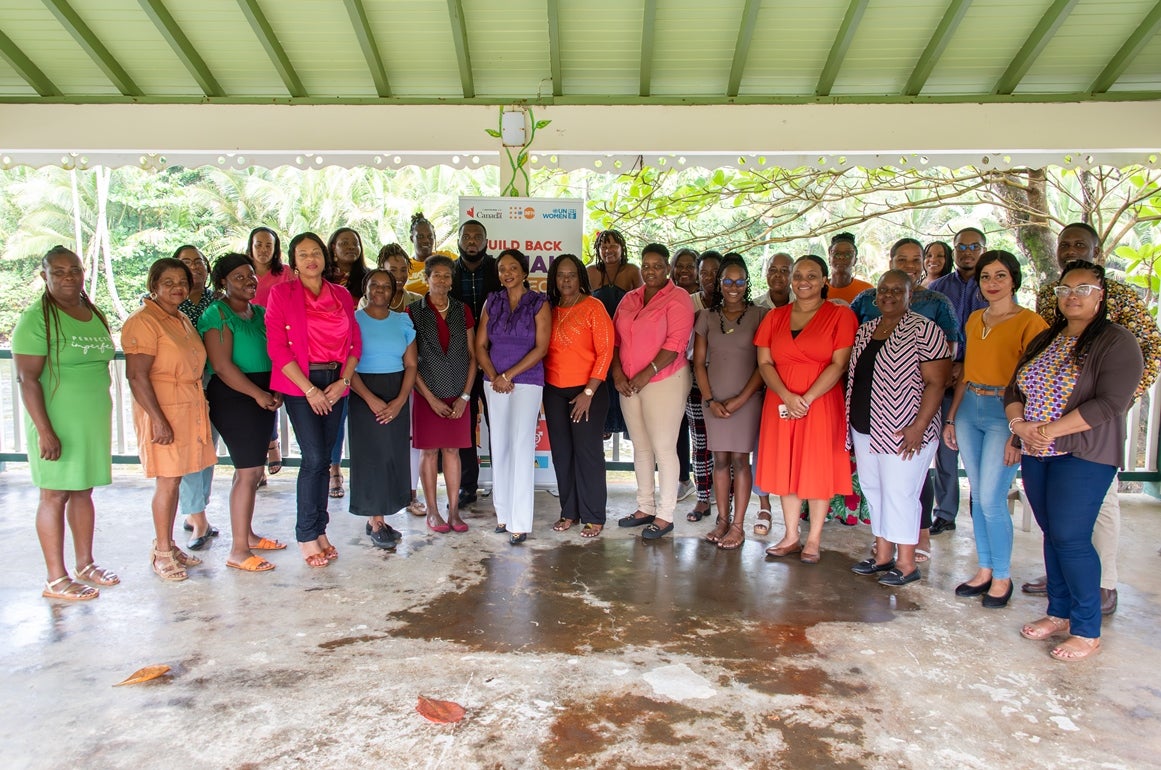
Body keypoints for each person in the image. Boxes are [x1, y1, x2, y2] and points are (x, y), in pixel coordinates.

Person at [1007, 260, 1143, 661]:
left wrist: (1048, 429)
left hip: (1083, 454)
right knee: (1052, 534)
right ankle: (1059, 612)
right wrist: (1020, 424)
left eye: (1083, 289)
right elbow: (1015, 387)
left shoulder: (1117, 342)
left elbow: (1110, 403)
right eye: (1066, 288)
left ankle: (1087, 628)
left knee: (1071, 536)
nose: (1072, 295)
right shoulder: (1046, 339)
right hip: (1036, 452)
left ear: (1101, 296)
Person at [1023, 222, 1161, 614]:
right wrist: (1023, 424)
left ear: (1096, 251)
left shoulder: (1119, 299)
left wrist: (1121, 397)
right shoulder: (1053, 298)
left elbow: (1150, 346)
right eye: (1064, 244)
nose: (1070, 249)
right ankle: (1061, 595)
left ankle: (1103, 587)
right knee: (1059, 529)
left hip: (1091, 434)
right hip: (1043, 439)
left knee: (1097, 512)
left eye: (1079, 244)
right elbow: (1039, 363)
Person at [942, 251, 1047, 606]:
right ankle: (984, 569)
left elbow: (1035, 382)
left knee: (991, 497)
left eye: (1000, 276)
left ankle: (1002, 576)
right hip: (971, 406)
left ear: (1014, 280)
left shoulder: (1031, 323)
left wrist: (1019, 433)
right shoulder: (974, 319)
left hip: (1007, 412)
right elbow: (967, 372)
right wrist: (953, 417)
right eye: (986, 277)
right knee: (977, 496)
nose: (992, 283)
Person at [14, 246, 117, 600]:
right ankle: (56, 579)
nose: (68, 277)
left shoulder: (89, 310)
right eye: (58, 272)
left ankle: (85, 564)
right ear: (44, 276)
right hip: (56, 421)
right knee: (54, 494)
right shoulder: (36, 319)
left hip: (89, 419)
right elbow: (27, 380)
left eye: (74, 270)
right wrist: (44, 430)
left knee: (82, 490)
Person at [851, 238, 960, 556]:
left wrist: (919, 427)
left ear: (911, 294)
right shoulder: (866, 330)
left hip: (903, 429)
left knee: (901, 492)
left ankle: (906, 563)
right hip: (865, 428)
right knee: (875, 490)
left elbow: (936, 384)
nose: (888, 296)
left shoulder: (926, 329)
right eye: (883, 290)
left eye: (897, 291)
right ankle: (883, 556)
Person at [266, 232, 361, 568]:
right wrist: (310, 389)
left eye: (316, 252)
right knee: (315, 456)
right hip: (300, 385)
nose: (311, 258)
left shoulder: (341, 294)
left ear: (325, 257)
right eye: (303, 253)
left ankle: (320, 530)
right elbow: (276, 347)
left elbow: (354, 344)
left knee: (325, 459)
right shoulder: (282, 294)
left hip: (336, 382)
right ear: (294, 261)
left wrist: (343, 381)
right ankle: (306, 534)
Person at [756, 255, 857, 564]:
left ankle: (813, 539)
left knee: (816, 467)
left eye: (812, 275)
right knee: (786, 466)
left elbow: (839, 364)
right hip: (781, 400)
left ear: (824, 279)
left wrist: (807, 398)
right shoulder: (775, 317)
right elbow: (764, 362)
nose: (803, 280)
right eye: (798, 275)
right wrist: (787, 396)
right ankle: (790, 535)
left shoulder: (840, 316)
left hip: (821, 401)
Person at [123, 257, 217, 581]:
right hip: (163, 408)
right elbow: (136, 376)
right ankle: (162, 551)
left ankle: (168, 543)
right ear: (154, 286)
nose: (177, 287)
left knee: (175, 479)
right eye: (168, 283)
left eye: (182, 282)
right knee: (166, 481)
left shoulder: (180, 320)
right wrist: (158, 420)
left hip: (187, 406)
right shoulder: (144, 321)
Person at [197, 253, 285, 572]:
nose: (249, 281)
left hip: (263, 393)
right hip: (235, 395)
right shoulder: (216, 314)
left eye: (251, 275)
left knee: (250, 470)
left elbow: (275, 352)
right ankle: (237, 551)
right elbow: (221, 365)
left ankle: (247, 535)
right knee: (248, 473)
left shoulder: (260, 312)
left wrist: (275, 389)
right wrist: (258, 394)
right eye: (239, 277)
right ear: (222, 282)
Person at [613, 244, 695, 540]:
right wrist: (618, 373)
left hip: (664, 381)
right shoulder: (629, 298)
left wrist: (646, 374)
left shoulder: (679, 298)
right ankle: (645, 507)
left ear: (668, 268)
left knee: (663, 447)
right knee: (641, 446)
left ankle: (665, 514)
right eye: (646, 265)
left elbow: (675, 345)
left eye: (657, 265)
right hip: (629, 383)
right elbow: (616, 340)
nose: (651, 271)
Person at [692, 255, 768, 550]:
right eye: (727, 280)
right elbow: (699, 363)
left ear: (747, 283)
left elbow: (764, 364)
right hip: (714, 400)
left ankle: (738, 525)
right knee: (720, 460)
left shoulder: (760, 315)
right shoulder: (707, 317)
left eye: (739, 281)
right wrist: (710, 399)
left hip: (747, 400)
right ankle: (722, 520)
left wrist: (741, 399)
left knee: (741, 461)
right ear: (719, 283)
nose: (733, 286)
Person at [475, 249, 550, 544]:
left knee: (521, 448)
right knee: (501, 447)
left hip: (527, 382)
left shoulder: (539, 303)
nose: (507, 273)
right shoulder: (491, 302)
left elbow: (541, 348)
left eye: (513, 268)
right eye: (502, 269)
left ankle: (520, 522)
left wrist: (509, 376)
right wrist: (495, 376)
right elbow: (480, 345)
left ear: (524, 272)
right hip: (494, 383)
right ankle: (503, 516)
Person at [544, 254, 614, 538]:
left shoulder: (593, 307)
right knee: (563, 455)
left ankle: (594, 514)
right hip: (554, 391)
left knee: (588, 455)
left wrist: (588, 392)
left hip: (589, 392)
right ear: (554, 278)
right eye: (561, 275)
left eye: (572, 274)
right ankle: (569, 511)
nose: (566, 280)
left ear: (580, 277)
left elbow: (606, 351)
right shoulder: (549, 308)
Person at [348, 269, 418, 549]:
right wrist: (369, 398)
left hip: (396, 391)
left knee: (391, 456)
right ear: (365, 289)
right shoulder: (353, 321)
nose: (380, 290)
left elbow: (411, 364)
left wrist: (401, 400)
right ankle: (376, 520)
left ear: (393, 291)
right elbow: (347, 367)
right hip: (364, 392)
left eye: (386, 286)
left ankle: (380, 516)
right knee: (371, 458)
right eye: (374, 285)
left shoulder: (402, 320)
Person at [927, 227, 990, 535]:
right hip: (945, 379)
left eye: (974, 246)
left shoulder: (994, 285)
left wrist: (966, 365)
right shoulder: (938, 287)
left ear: (984, 249)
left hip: (982, 383)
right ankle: (945, 512)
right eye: (961, 246)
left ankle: (983, 510)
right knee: (945, 451)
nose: (967, 251)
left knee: (979, 452)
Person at [409, 255, 477, 534]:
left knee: (452, 451)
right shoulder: (413, 313)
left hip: (458, 395)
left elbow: (473, 357)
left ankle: (454, 511)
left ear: (452, 280)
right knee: (429, 452)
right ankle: (433, 512)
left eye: (447, 276)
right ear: (426, 278)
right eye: (436, 275)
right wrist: (430, 398)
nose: (442, 281)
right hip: (427, 395)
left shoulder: (464, 311)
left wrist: (464, 397)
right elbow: (410, 363)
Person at [450, 219, 500, 510]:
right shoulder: (447, 272)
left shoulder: (499, 270)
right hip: (460, 364)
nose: (471, 240)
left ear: (486, 241)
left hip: (498, 363)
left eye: (477, 236)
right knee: (464, 429)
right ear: (458, 241)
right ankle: (467, 487)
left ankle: (504, 483)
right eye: (466, 236)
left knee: (500, 425)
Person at [172, 245, 219, 550]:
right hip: (182, 384)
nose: (194, 267)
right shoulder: (167, 305)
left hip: (215, 380)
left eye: (199, 262)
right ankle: (197, 517)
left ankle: (196, 511)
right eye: (186, 263)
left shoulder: (219, 301)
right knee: (189, 451)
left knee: (208, 449)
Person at [379, 244, 427, 517]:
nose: (397, 275)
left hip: (412, 378)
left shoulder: (415, 303)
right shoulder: (369, 301)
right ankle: (384, 493)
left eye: (402, 269)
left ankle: (411, 494)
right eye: (391, 270)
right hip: (378, 379)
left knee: (412, 438)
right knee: (383, 437)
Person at [324, 227, 369, 499]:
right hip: (334, 357)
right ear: (332, 247)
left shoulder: (367, 279)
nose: (351, 247)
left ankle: (364, 472)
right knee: (336, 419)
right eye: (344, 243)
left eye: (355, 243)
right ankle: (335, 470)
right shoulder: (323, 280)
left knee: (362, 419)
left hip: (363, 355)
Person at [751, 251, 793, 533]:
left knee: (795, 449)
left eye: (784, 270)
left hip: (796, 389)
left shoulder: (806, 305)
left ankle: (796, 507)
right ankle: (764, 506)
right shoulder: (755, 307)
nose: (777, 276)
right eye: (772, 270)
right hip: (762, 388)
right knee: (760, 448)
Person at [589, 229, 643, 439]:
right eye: (603, 245)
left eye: (613, 245)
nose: (608, 250)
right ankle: (604, 429)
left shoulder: (632, 270)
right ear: (598, 249)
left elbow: (643, 304)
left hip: (626, 340)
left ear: (622, 248)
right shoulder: (590, 271)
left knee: (623, 383)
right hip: (598, 341)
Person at [247, 226, 289, 482]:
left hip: (278, 340)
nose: (263, 250)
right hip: (247, 339)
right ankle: (256, 461)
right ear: (250, 246)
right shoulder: (244, 272)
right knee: (251, 400)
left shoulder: (284, 273)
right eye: (258, 244)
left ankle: (272, 441)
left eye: (268, 245)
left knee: (274, 393)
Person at [683, 250, 722, 521]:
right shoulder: (688, 303)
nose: (710, 278)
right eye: (704, 272)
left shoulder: (737, 303)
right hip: (696, 381)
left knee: (727, 446)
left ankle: (727, 498)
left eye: (715, 272)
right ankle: (703, 498)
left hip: (729, 381)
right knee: (701, 444)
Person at [670, 247, 700, 503]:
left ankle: (705, 482)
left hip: (701, 370)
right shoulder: (667, 297)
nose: (684, 270)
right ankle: (682, 480)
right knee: (677, 427)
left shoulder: (704, 299)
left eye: (690, 266)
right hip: (674, 370)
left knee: (701, 429)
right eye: (680, 265)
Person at [825, 233, 873, 304]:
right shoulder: (817, 289)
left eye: (848, 254)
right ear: (829, 260)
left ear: (855, 261)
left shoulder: (867, 291)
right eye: (836, 254)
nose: (842, 257)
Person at [407, 212, 438, 294]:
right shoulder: (405, 266)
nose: (426, 241)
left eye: (430, 236)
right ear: (411, 238)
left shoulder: (447, 257)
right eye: (420, 237)